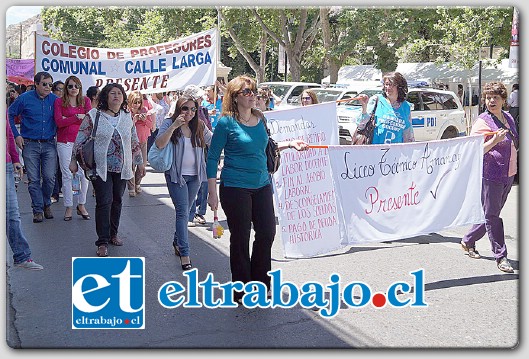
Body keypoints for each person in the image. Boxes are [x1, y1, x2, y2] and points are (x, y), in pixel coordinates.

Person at [206, 75, 309, 303]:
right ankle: (241, 289)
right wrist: (212, 192)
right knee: (240, 238)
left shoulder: (260, 118)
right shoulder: (225, 123)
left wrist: (290, 144)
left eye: (253, 91)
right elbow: (212, 157)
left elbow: (267, 147)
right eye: (247, 92)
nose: (252, 95)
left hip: (262, 184)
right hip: (235, 187)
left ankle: (261, 282)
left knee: (267, 233)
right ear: (234, 97)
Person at [70, 83, 145, 257]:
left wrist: (140, 163)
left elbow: (134, 141)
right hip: (100, 167)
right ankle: (102, 241)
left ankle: (113, 234)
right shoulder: (93, 115)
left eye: (119, 93)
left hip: (123, 167)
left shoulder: (127, 116)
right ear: (105, 96)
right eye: (112, 93)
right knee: (104, 201)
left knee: (117, 200)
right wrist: (73, 160)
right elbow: (80, 138)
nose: (116, 96)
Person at [460, 82, 518, 273]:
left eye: (496, 97)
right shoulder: (482, 122)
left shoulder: (508, 118)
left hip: (508, 173)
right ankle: (501, 256)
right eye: (488, 98)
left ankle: (468, 241)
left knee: (490, 215)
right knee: (493, 216)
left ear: (503, 100)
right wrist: (494, 141)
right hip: (490, 174)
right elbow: (473, 150)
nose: (491, 101)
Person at [155, 95, 213, 270]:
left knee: (187, 211)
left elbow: (215, 141)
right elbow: (159, 143)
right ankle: (185, 253)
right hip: (176, 175)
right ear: (178, 109)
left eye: (193, 109)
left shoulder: (199, 126)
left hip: (195, 176)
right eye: (185, 108)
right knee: (182, 212)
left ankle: (177, 241)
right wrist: (174, 126)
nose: (189, 112)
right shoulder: (168, 123)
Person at [8, 71, 58, 223]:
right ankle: (38, 209)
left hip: (49, 143)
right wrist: (16, 135)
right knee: (34, 179)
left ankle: (46, 203)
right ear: (36, 84)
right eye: (44, 84)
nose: (48, 87)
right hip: (29, 143)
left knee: (49, 178)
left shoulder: (55, 100)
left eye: (50, 84)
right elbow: (9, 114)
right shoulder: (24, 98)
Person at [6, 119, 43, 270]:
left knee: (12, 213)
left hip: (5, 164)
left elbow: (8, 134)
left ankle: (22, 256)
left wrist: (15, 159)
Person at [53, 75, 92, 221]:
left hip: (82, 143)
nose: (73, 89)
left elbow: (89, 121)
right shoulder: (59, 102)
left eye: (76, 86)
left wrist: (67, 119)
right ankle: (68, 206)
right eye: (70, 86)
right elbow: (58, 122)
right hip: (65, 142)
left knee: (84, 174)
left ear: (80, 87)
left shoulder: (86, 101)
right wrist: (77, 117)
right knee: (67, 174)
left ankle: (81, 204)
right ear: (66, 88)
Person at [356, 71, 415, 144]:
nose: (388, 87)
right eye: (386, 84)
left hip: (396, 153)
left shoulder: (406, 107)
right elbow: (360, 125)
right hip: (374, 151)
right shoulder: (376, 100)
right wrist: (364, 108)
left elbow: (408, 135)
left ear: (399, 87)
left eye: (392, 85)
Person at [126, 91, 154, 197]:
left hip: (143, 141)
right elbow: (125, 128)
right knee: (131, 166)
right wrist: (134, 120)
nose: (137, 105)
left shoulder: (144, 110)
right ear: (130, 102)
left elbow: (151, 125)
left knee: (142, 165)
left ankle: (137, 183)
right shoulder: (126, 112)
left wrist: (144, 119)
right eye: (134, 102)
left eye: (138, 102)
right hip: (131, 142)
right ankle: (131, 187)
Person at [51, 80, 65, 204]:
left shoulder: (66, 103)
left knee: (62, 167)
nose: (61, 92)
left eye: (63, 89)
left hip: (63, 139)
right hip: (51, 138)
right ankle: (54, 192)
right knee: (53, 167)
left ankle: (60, 189)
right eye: (58, 89)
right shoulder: (52, 102)